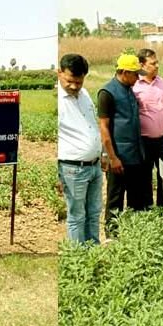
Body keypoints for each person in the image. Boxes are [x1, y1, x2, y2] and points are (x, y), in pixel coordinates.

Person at [98, 53, 150, 239]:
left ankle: (133, 233)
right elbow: (104, 129)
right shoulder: (107, 93)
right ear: (125, 72)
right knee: (115, 199)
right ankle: (112, 235)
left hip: (135, 154)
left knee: (136, 198)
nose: (138, 78)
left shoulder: (129, 89)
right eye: (135, 74)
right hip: (118, 156)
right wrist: (112, 157)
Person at [57, 54, 103, 245]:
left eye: (79, 81)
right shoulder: (58, 101)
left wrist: (103, 153)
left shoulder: (83, 94)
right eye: (70, 81)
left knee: (93, 213)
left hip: (94, 165)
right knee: (77, 216)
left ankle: (93, 251)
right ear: (59, 73)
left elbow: (93, 123)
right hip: (72, 168)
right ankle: (78, 258)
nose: (75, 86)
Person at [132, 49, 163, 219]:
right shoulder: (134, 85)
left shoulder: (162, 82)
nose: (157, 66)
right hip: (144, 140)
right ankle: (146, 208)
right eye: (153, 63)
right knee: (144, 175)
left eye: (157, 62)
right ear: (142, 65)